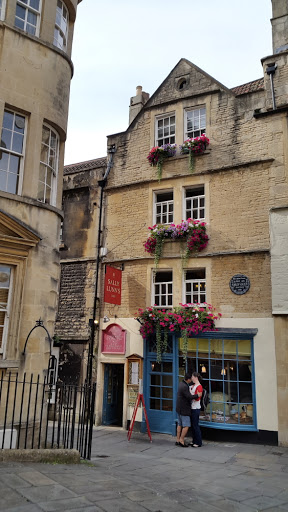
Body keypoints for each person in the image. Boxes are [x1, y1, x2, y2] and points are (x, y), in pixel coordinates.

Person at [176, 372, 200, 447]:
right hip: (184, 409)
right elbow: (189, 396)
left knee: (179, 424)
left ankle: (177, 439)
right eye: (191, 379)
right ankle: (181, 440)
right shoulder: (185, 386)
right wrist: (197, 395)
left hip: (179, 408)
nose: (192, 380)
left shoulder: (181, 384)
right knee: (186, 426)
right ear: (188, 379)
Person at [189, 372, 203, 447]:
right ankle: (194, 440)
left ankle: (198, 442)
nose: (191, 378)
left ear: (196, 377)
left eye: (192, 377)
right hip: (192, 407)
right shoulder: (193, 385)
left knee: (195, 425)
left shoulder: (199, 386)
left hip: (196, 408)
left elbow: (198, 398)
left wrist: (191, 395)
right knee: (193, 425)